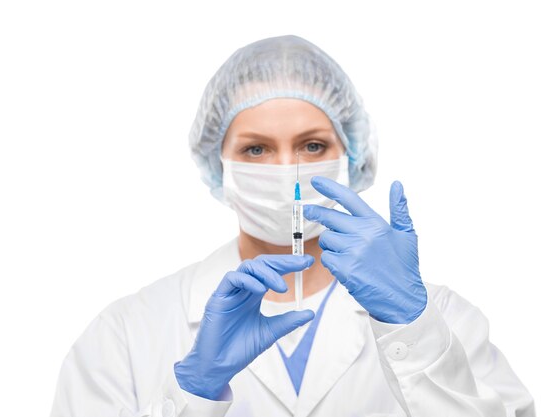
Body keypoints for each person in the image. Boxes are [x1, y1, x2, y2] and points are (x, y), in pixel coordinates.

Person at [49, 35, 535, 417]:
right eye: (256, 149)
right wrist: (193, 393)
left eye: (313, 146)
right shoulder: (128, 333)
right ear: (219, 166)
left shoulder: (445, 319)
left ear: (353, 157)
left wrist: (414, 329)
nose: (289, 173)